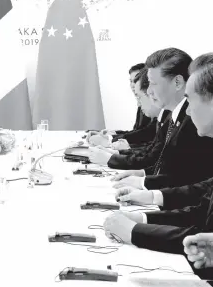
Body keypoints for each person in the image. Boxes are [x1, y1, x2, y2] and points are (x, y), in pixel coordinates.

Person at [103, 54, 213, 256]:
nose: (188, 112)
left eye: (191, 99)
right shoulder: (178, 118)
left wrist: (136, 231)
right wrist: (143, 218)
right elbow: (203, 205)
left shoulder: (191, 126)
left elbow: (205, 232)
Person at [91, 48, 213, 190]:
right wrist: (142, 174)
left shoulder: (193, 121)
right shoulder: (175, 116)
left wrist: (144, 184)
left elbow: (189, 179)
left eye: (153, 83)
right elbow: (167, 165)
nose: (148, 91)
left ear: (178, 83)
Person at [88, 68, 169, 169]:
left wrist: (111, 147)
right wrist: (116, 149)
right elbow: (150, 149)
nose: (132, 85)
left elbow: (147, 140)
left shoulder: (168, 117)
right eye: (130, 81)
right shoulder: (161, 115)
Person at [87, 63, 153, 147]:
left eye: (136, 80)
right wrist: (111, 133)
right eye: (131, 81)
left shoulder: (152, 106)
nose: (133, 85)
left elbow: (146, 134)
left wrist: (110, 140)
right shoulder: (142, 103)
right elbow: (137, 131)